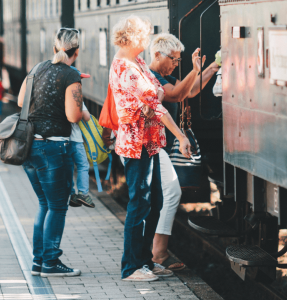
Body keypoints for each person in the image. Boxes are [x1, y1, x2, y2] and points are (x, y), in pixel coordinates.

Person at [108, 15, 192, 282]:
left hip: (150, 142)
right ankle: (131, 267)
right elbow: (155, 103)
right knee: (139, 203)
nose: (146, 40)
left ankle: (146, 261)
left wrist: (150, 100)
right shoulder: (127, 68)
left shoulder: (138, 62)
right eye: (143, 36)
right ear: (133, 38)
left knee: (154, 200)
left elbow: (157, 91)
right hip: (136, 145)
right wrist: (179, 135)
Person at [147, 33, 220, 271]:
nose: (176, 64)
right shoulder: (153, 77)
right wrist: (195, 69)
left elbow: (190, 91)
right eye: (174, 59)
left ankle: (157, 251)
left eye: (179, 60)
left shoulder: (165, 75)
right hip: (155, 145)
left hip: (163, 146)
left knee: (166, 194)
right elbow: (178, 93)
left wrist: (212, 67)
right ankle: (156, 252)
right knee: (167, 194)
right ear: (157, 54)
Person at [17, 28, 84, 277]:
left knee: (44, 204)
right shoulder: (71, 74)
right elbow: (72, 116)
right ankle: (51, 263)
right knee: (57, 206)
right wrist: (83, 110)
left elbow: (21, 102)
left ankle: (38, 262)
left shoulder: (37, 68)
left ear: (55, 47)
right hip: (54, 148)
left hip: (29, 147)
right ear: (76, 51)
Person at [67, 66, 95, 209]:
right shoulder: (76, 97)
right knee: (83, 165)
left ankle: (72, 194)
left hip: (64, 140)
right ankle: (83, 193)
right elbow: (87, 117)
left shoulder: (61, 94)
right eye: (80, 80)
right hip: (76, 139)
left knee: (70, 167)